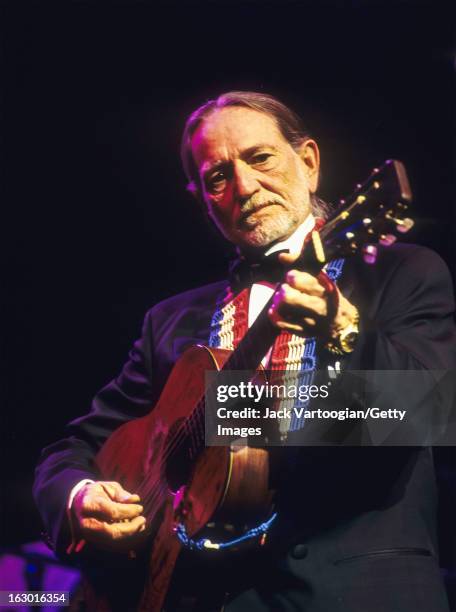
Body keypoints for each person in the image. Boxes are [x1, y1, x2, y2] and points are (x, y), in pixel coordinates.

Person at [34, 91, 455, 611]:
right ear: (204, 202)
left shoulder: (404, 273)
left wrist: (345, 329)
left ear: (308, 163)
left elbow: (428, 412)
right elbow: (73, 450)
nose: (245, 186)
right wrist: (78, 499)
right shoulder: (169, 322)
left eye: (260, 158)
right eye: (218, 177)